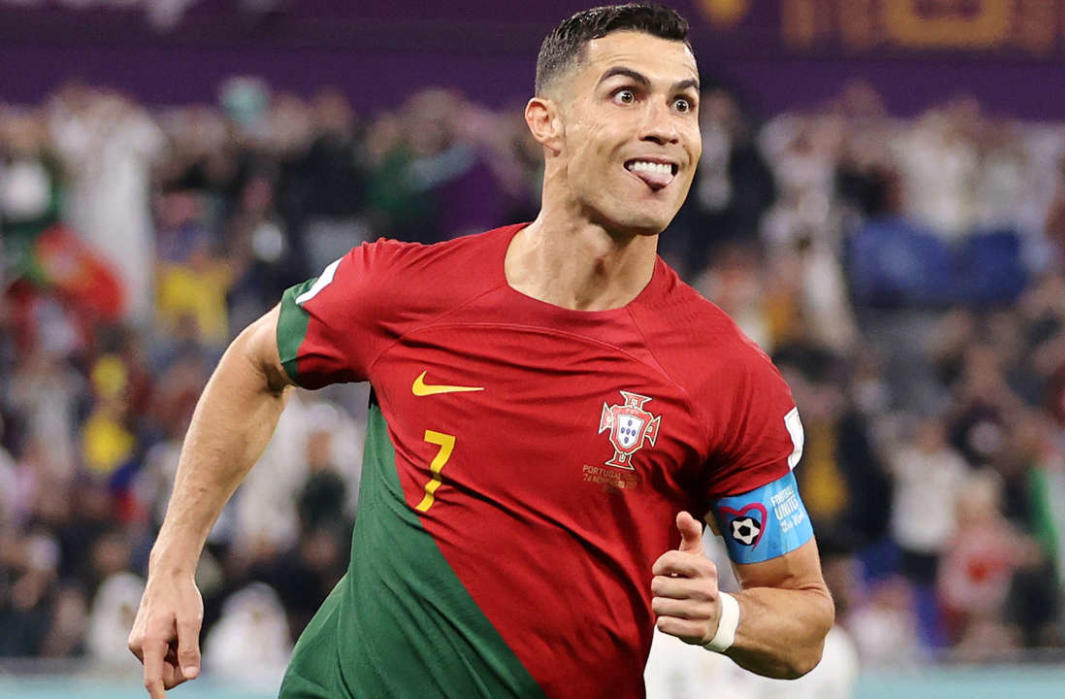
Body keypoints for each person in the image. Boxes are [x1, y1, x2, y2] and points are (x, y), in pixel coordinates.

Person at [127, 4, 834, 698]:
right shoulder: (402, 290)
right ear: (546, 123)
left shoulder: (727, 374)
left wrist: (724, 618)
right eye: (627, 95)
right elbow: (257, 362)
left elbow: (802, 614)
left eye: (684, 104)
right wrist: (173, 563)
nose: (664, 128)